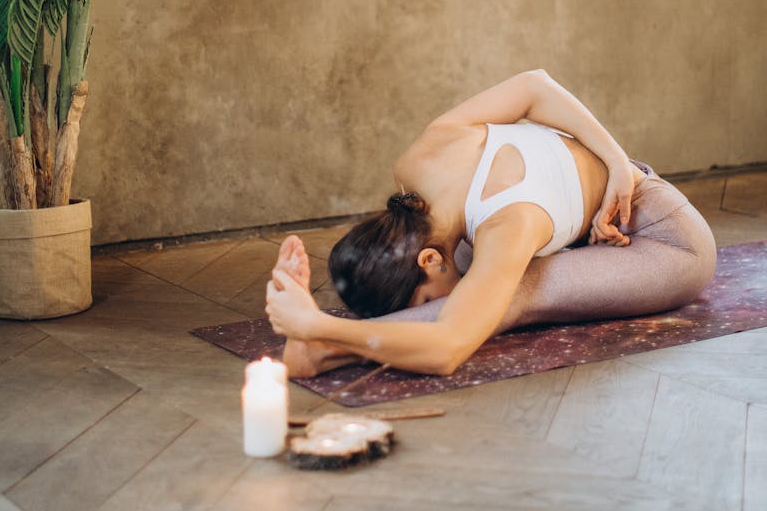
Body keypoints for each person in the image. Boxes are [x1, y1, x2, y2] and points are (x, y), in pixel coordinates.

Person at [265, 69, 716, 378]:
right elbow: (533, 86)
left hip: (663, 241)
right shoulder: (417, 165)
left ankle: (325, 349)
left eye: (421, 299)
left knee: (511, 290)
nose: (428, 299)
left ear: (428, 258)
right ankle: (325, 345)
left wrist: (320, 326)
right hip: (575, 227)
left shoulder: (509, 225)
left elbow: (448, 349)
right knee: (479, 280)